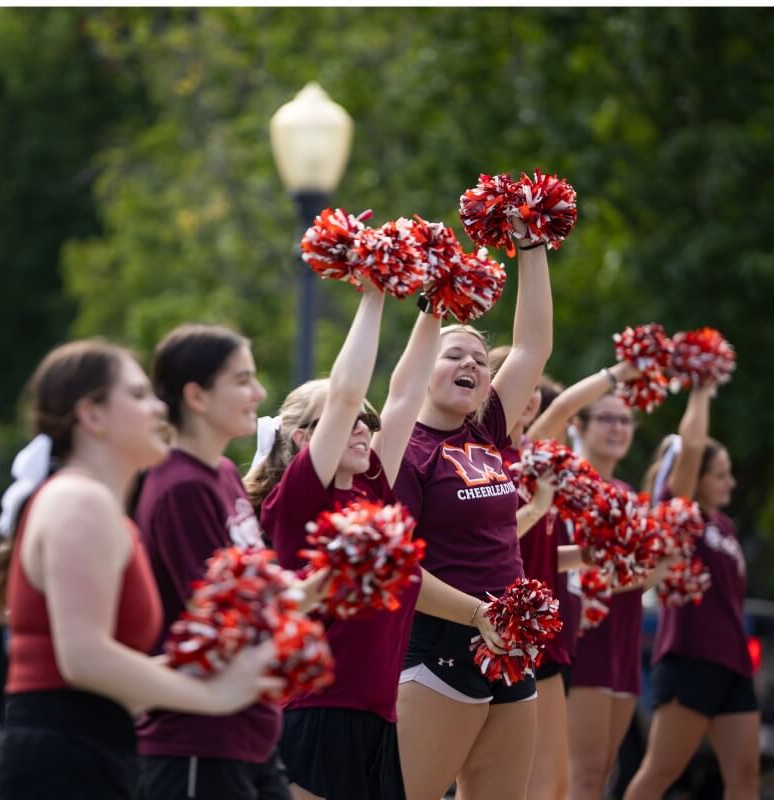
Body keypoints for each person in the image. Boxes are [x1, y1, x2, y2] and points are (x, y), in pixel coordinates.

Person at [0, 339, 281, 800]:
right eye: (138, 395)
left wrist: (228, 676)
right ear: (92, 416)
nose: (159, 407)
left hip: (92, 757)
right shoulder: (79, 501)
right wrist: (214, 696)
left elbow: (115, 683)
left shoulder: (101, 508)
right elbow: (84, 660)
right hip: (59, 767)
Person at [249, 277, 440, 799]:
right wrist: (375, 289)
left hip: (379, 716)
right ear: (304, 439)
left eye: (366, 421)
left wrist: (437, 304)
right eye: (345, 419)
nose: (361, 426)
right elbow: (347, 393)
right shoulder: (299, 500)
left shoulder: (376, 489)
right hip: (318, 713)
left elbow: (404, 395)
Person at [394, 232, 553, 800]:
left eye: (480, 360)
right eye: (453, 354)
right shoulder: (403, 450)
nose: (471, 364)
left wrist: (530, 243)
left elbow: (531, 347)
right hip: (440, 641)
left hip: (507, 643)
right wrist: (478, 614)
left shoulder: (486, 430)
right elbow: (394, 570)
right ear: (421, 369)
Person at [132, 323, 307, 799]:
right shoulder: (181, 487)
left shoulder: (224, 472)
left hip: (247, 733)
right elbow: (222, 620)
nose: (259, 392)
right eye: (242, 380)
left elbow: (260, 596)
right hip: (197, 740)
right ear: (197, 397)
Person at [522, 361, 650, 800]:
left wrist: (655, 565)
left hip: (621, 642)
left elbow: (634, 570)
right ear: (579, 426)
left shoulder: (630, 496)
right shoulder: (556, 480)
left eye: (625, 419)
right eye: (607, 418)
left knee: (595, 776)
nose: (618, 428)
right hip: (573, 638)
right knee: (574, 778)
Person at [624, 385, 758, 800]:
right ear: (693, 477)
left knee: (745, 777)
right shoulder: (682, 515)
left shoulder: (725, 526)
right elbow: (693, 444)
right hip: (689, 657)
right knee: (661, 771)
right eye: (720, 474)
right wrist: (701, 388)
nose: (731, 483)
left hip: (733, 662)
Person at [488, 348, 574, 800]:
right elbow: (495, 534)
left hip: (543, 630)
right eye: (520, 381)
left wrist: (612, 554)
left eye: (535, 384)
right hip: (502, 630)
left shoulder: (533, 459)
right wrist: (624, 372)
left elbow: (544, 554)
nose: (530, 394)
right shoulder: (491, 456)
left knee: (555, 786)